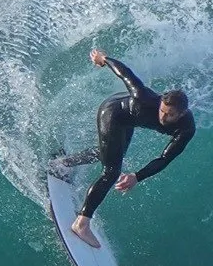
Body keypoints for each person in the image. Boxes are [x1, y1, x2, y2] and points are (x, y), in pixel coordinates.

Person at [52, 48, 194, 247]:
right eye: (162, 111)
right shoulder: (144, 98)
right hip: (113, 113)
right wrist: (103, 59)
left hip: (128, 122)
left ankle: (63, 163)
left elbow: (165, 158)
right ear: (160, 102)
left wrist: (137, 176)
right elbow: (126, 74)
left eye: (170, 115)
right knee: (111, 171)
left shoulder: (186, 129)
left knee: (108, 154)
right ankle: (81, 224)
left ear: (181, 114)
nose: (163, 117)